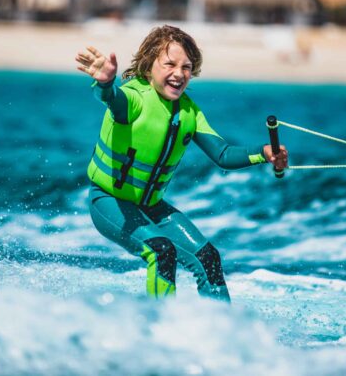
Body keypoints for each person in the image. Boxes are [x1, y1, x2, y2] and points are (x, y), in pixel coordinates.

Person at [76, 25, 288, 302]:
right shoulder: (134, 98)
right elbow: (112, 99)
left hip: (151, 206)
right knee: (161, 250)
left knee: (208, 257)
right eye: (169, 64)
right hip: (109, 202)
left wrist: (264, 153)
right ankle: (160, 326)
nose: (179, 73)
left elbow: (222, 154)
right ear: (148, 64)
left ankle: (223, 328)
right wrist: (105, 83)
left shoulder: (189, 112)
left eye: (187, 67)